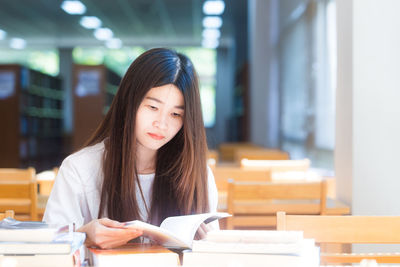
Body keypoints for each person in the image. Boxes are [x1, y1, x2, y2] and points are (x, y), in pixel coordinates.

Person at [43, 48, 218, 249]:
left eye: (175, 115)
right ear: (129, 102)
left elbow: (213, 253)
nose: (161, 124)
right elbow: (49, 250)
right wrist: (84, 236)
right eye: (153, 107)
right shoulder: (79, 169)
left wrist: (208, 245)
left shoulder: (197, 174)